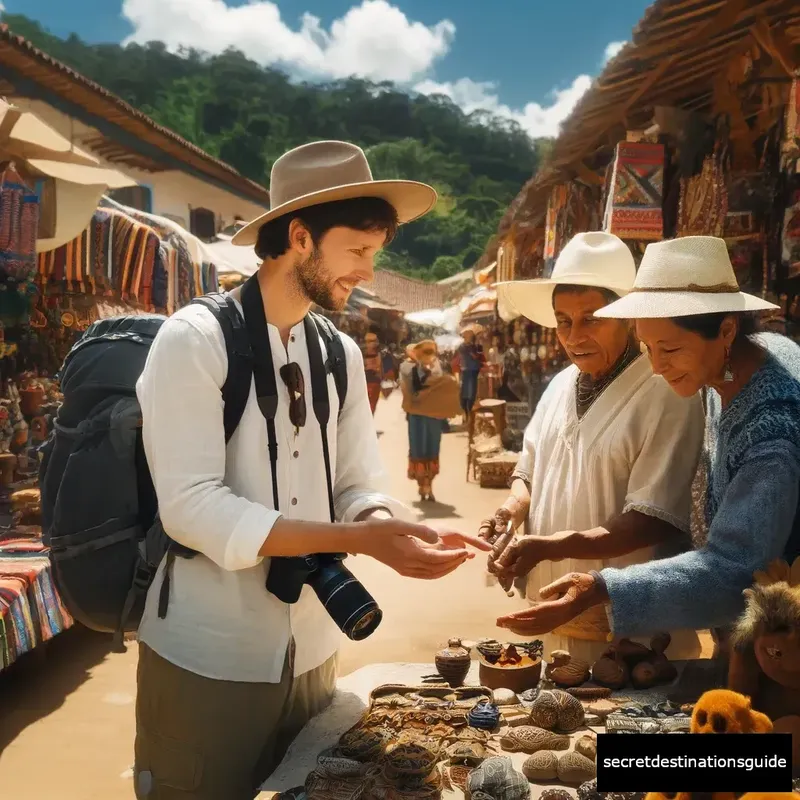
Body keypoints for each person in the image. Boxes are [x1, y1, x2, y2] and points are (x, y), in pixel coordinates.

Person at [132, 140, 488, 800]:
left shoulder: (339, 352)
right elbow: (190, 506)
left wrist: (386, 527)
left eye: (374, 253)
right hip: (209, 655)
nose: (368, 271)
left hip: (317, 649)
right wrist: (355, 541)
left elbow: (357, 482)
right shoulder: (195, 340)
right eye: (358, 250)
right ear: (301, 237)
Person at [495, 235, 800, 654]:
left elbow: (735, 568)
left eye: (670, 348)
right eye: (648, 347)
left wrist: (602, 587)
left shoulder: (770, 430)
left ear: (727, 329)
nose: (656, 367)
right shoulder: (728, 366)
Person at [487, 232, 705, 662]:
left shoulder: (665, 390)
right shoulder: (557, 386)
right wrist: (510, 512)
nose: (574, 336)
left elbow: (653, 520)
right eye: (563, 321)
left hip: (633, 640)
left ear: (627, 317)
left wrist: (549, 546)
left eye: (592, 318)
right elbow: (530, 469)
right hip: (552, 625)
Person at [400, 340, 448, 502]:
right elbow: (408, 388)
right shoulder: (407, 367)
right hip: (416, 416)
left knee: (432, 448)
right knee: (418, 450)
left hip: (433, 415)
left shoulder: (436, 366)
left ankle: (430, 485)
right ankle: (422, 485)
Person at [457, 326, 485, 419]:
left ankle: (469, 413)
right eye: (469, 334)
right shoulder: (463, 346)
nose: (471, 336)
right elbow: (475, 356)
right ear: (465, 336)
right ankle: (466, 413)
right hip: (467, 370)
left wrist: (478, 344)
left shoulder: (473, 346)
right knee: (467, 392)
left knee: (472, 392)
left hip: (474, 370)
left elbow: (481, 354)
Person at [362, 331, 383, 414]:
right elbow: (379, 367)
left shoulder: (362, 352)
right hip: (371, 380)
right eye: (372, 341)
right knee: (371, 403)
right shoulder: (377, 353)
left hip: (368, 380)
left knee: (369, 403)